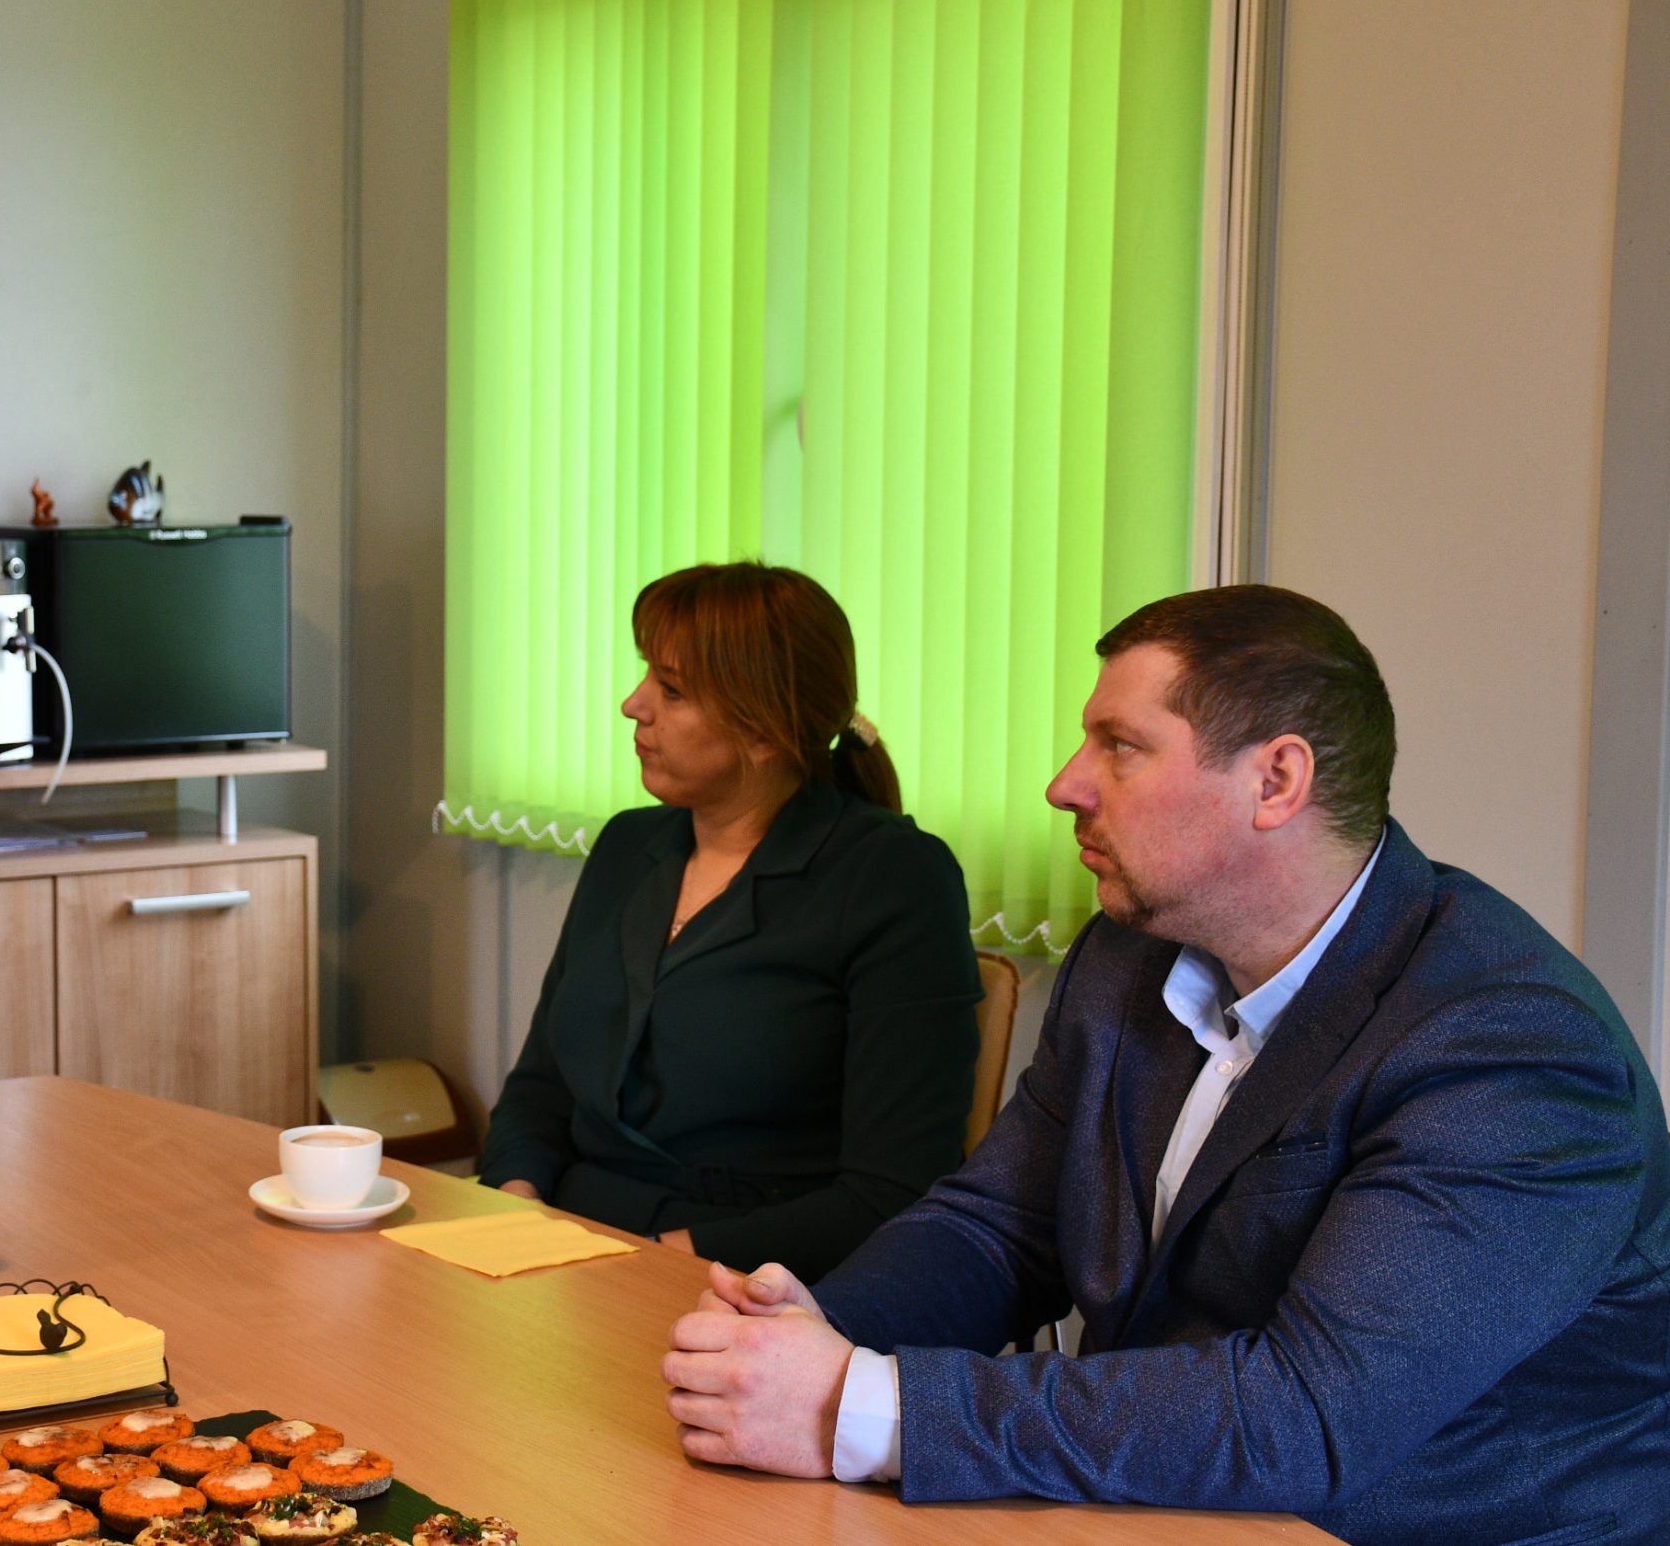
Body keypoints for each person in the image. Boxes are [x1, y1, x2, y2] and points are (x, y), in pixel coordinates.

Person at [661, 585, 1670, 1546]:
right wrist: (821, 1328)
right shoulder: (1130, 954)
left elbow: (1305, 1416)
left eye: (1121, 747)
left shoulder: (1512, 1049)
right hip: (1161, 1499)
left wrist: (865, 1405)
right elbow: (998, 1227)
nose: (1065, 784)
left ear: (1275, 781)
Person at [476, 562, 982, 1281]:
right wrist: (517, 1204)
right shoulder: (627, 845)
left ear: (764, 732)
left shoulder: (893, 877)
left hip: (752, 1276)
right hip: (569, 1248)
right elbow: (542, 1088)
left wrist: (654, 1263)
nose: (632, 704)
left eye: (672, 689)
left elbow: (891, 1190)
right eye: (646, 675)